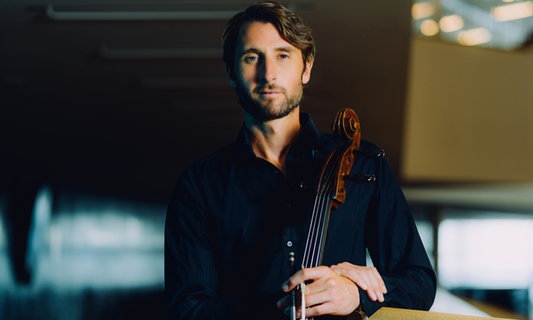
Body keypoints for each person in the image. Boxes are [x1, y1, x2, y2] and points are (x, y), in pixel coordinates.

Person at [164, 2, 436, 319]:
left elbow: (420, 282)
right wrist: (285, 307)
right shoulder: (199, 185)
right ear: (231, 72)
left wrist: (356, 293)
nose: (269, 73)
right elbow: (187, 309)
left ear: (306, 68)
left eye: (283, 55)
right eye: (252, 58)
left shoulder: (364, 165)